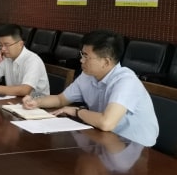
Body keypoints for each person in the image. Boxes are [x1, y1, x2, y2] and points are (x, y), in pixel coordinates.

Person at [22, 30, 159, 147]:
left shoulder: (126, 81)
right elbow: (60, 99)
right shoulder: (88, 75)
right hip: (104, 138)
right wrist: (36, 101)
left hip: (135, 147)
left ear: (105, 62)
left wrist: (78, 112)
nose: (81, 60)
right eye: (82, 55)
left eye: (86, 57)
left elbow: (106, 123)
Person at [0, 24, 49, 97]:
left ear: (20, 44)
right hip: (15, 99)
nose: (3, 49)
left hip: (38, 102)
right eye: (0, 45)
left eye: (7, 45)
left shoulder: (33, 60)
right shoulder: (6, 57)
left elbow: (25, 90)